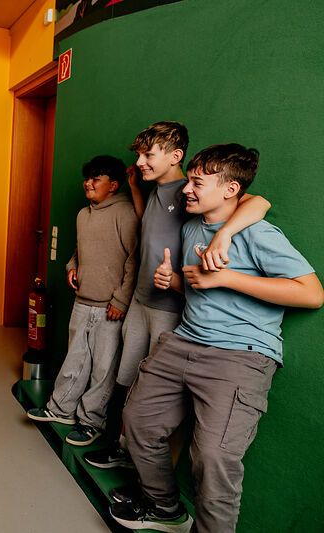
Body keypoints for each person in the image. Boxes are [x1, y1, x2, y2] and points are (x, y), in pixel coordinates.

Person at [110, 144, 323, 533]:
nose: (187, 189)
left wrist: (226, 276)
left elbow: (312, 293)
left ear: (229, 190)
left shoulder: (259, 233)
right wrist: (174, 282)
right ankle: (164, 507)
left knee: (213, 458)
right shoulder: (193, 225)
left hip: (240, 356)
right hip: (184, 341)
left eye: (197, 182)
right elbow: (203, 289)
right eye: (189, 179)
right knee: (137, 421)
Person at [85, 121, 272, 472]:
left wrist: (225, 235)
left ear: (175, 156)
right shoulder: (159, 190)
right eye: (138, 155)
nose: (140, 161)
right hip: (141, 300)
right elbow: (150, 226)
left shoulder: (192, 194)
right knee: (130, 379)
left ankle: (142, 462)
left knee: (154, 387)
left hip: (171, 308)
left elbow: (258, 200)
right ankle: (126, 449)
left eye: (147, 154)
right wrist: (135, 190)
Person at [27, 155, 138, 446]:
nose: (88, 183)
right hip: (83, 300)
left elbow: (134, 261)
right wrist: (71, 267)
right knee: (75, 358)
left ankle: (92, 422)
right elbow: (79, 250)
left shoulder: (125, 214)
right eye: (87, 178)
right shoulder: (82, 214)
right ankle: (61, 409)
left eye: (96, 179)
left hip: (111, 307)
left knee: (103, 369)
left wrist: (122, 301)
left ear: (113, 185)